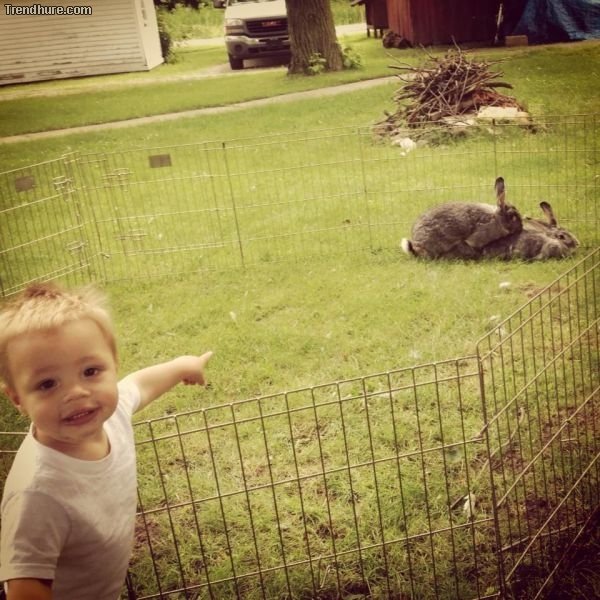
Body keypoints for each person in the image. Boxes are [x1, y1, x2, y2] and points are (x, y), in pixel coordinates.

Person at [0, 282, 212, 600]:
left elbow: (140, 385)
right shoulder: (36, 493)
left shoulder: (110, 414)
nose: (76, 393)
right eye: (47, 384)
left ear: (113, 365)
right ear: (17, 398)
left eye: (90, 371)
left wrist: (183, 365)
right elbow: (25, 586)